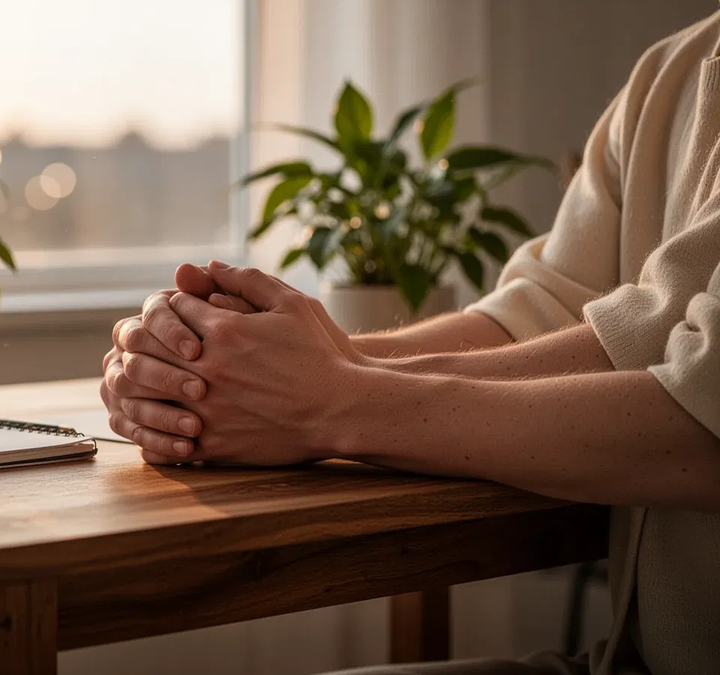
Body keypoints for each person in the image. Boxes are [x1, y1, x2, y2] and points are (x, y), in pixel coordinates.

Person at [100, 10, 720, 675]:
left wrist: (329, 400)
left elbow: (700, 422)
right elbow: (546, 311)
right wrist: (240, 365)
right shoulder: (673, 71)